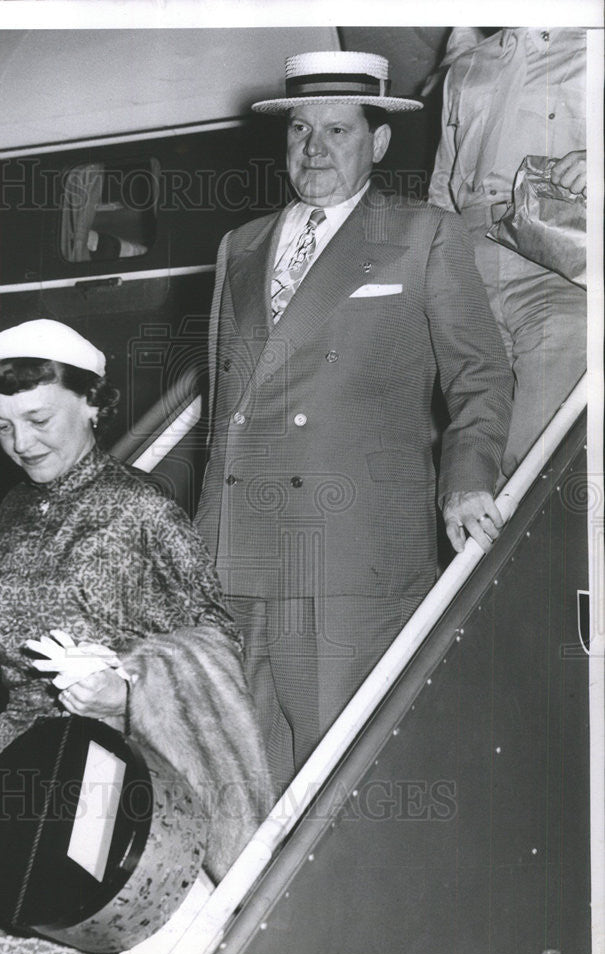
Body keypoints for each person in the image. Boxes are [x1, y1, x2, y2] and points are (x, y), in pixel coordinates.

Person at [0, 318, 273, 954]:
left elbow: (217, 635)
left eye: (39, 419)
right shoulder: (15, 504)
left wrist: (125, 688)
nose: (21, 442)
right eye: (3, 425)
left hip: (104, 776)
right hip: (12, 772)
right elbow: (27, 609)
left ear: (93, 402)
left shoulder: (139, 509)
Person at [194, 50, 513, 791]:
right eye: (300, 130)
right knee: (239, 779)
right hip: (235, 552)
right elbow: (223, 407)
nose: (314, 149)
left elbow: (480, 373)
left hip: (346, 552)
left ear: (378, 142)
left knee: (335, 782)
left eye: (337, 130)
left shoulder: (421, 234)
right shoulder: (238, 246)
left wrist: (466, 482)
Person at [428, 27, 587, 480]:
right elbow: (444, 179)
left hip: (551, 246)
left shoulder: (592, 45)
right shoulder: (467, 64)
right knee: (476, 420)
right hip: (467, 254)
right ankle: (480, 531)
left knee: (543, 432)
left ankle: (530, 536)